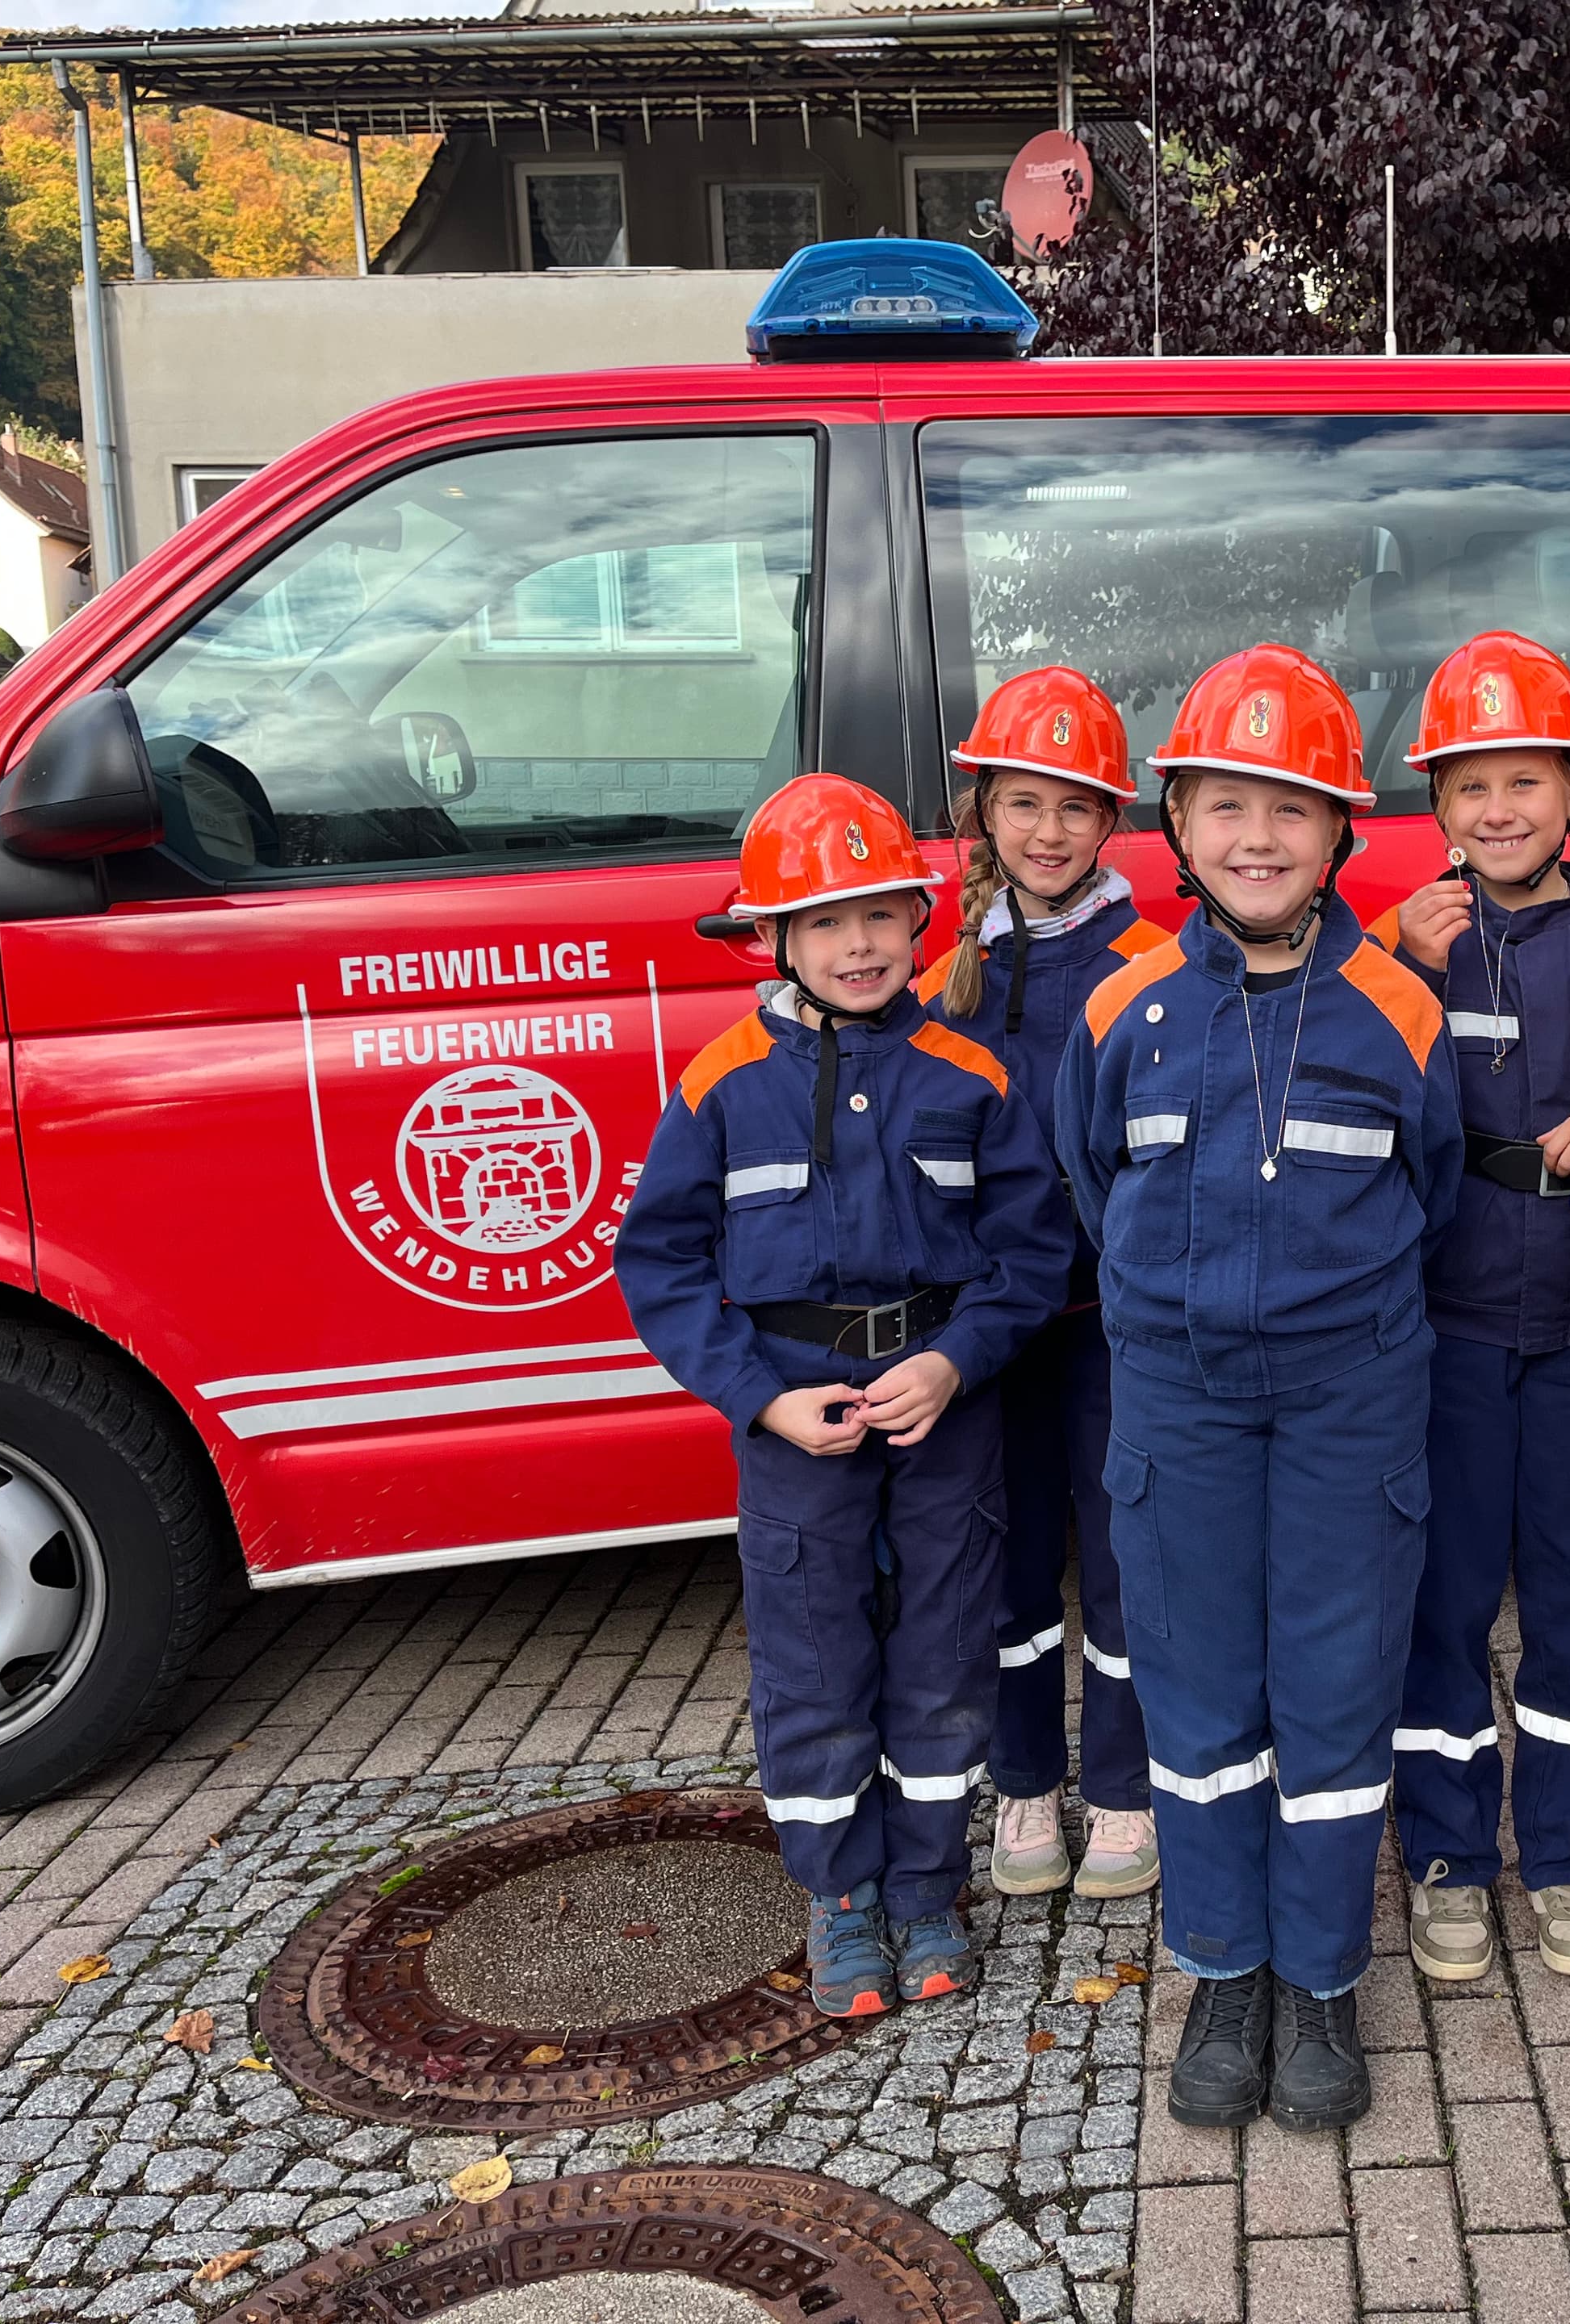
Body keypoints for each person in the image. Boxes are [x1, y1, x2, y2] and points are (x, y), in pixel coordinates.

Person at [1053, 642, 1465, 2134]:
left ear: (1343, 834)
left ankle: (1324, 1979)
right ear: (1177, 824)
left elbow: (1433, 1190)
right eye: (1227, 804)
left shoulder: (1398, 1013)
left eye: (1293, 810)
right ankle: (1227, 1968)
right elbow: (1091, 1182)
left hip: (1356, 1398)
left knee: (1339, 1689)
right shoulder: (1122, 1008)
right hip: (1178, 1398)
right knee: (1201, 1685)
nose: (1259, 839)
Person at [619, 775, 1073, 2018]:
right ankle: (839, 1899)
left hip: (943, 1404)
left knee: (939, 1656)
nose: (859, 944)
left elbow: (1031, 1254)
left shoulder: (968, 1073)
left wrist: (955, 1362)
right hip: (794, 1411)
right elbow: (658, 1261)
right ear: (769, 938)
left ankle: (927, 1891)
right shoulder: (719, 1083)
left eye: (878, 914)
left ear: (920, 920)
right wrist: (757, 1399)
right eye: (824, 922)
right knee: (815, 1659)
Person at [1369, 631, 1570, 1988]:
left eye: (1525, 780)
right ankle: (1449, 1857)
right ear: (1436, 806)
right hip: (1441, 1333)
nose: (1497, 810)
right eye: (1469, 786)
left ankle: (1565, 1857)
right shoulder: (1392, 951)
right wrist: (1387, 961)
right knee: (1437, 1607)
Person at [920, 667, 1170, 1905]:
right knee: (1006, 1563)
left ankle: (1124, 1791)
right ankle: (1024, 1781)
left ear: (1112, 821)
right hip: (992, 1331)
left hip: (1117, 1326)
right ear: (984, 817)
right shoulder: (944, 973)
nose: (1050, 832)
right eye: (1025, 803)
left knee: (1127, 1557)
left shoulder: (1159, 962)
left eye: (1077, 807)